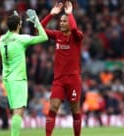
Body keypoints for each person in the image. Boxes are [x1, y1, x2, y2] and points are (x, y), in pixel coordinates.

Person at [0, 9, 48, 136]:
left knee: (16, 109)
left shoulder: (1, 39)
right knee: (18, 111)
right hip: (18, 79)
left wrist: (15, 19)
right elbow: (44, 37)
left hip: (7, 79)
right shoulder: (21, 39)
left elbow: (11, 32)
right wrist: (36, 21)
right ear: (19, 25)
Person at [41, 1, 84, 136]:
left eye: (64, 21)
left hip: (73, 79)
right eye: (60, 21)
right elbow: (39, 30)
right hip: (59, 79)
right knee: (53, 108)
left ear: (70, 23)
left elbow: (75, 29)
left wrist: (69, 14)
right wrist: (51, 14)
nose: (61, 23)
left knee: (75, 110)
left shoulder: (77, 36)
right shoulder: (57, 35)